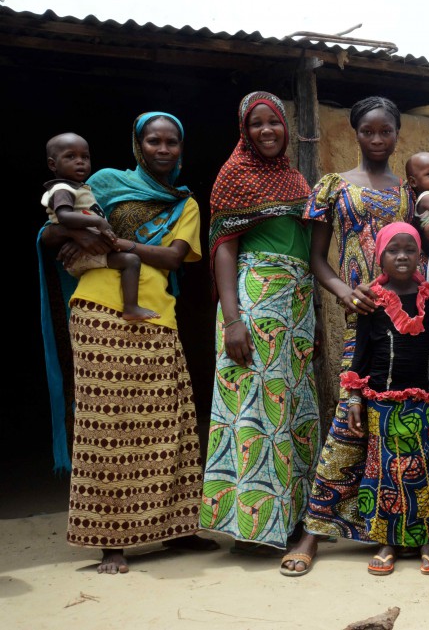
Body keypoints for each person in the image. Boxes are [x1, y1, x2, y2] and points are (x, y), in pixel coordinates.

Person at [40, 111, 217, 574]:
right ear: (138, 144)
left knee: (172, 424)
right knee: (107, 428)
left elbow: (174, 259)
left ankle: (179, 529)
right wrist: (76, 234)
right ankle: (112, 542)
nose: (163, 149)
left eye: (172, 142)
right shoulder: (103, 180)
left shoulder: (186, 203)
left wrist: (113, 243)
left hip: (157, 315)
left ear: (181, 147)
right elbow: (53, 231)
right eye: (154, 141)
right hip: (98, 312)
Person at [280, 96, 414, 577]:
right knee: (349, 411)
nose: (377, 140)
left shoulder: (408, 190)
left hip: (400, 318)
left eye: (386, 132)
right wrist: (342, 290)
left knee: (393, 414)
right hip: (356, 316)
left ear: (397, 134)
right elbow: (318, 258)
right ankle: (314, 531)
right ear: (356, 133)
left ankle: (392, 528)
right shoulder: (333, 186)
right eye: (368, 131)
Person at [201, 91, 320, 554]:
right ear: (244, 131)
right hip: (255, 298)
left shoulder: (294, 178)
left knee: (288, 408)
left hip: (295, 303)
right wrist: (233, 320)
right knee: (251, 409)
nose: (266, 131)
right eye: (256, 124)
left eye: (274, 122)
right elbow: (224, 248)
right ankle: (248, 527)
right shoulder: (234, 176)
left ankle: (288, 519)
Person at [342, 222, 429, 575]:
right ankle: (387, 541)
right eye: (393, 251)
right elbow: (360, 352)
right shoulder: (372, 301)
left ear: (420, 256)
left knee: (423, 473)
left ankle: (426, 538)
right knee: (384, 474)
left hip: (422, 401)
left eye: (410, 250)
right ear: (381, 258)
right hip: (381, 402)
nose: (403, 256)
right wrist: (353, 399)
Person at [41, 133, 158, 321]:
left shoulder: (80, 188)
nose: (80, 162)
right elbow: (63, 216)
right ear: (53, 164)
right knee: (131, 261)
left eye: (84, 157)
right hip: (83, 255)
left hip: (89, 251)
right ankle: (131, 308)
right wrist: (97, 222)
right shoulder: (62, 189)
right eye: (70, 157)